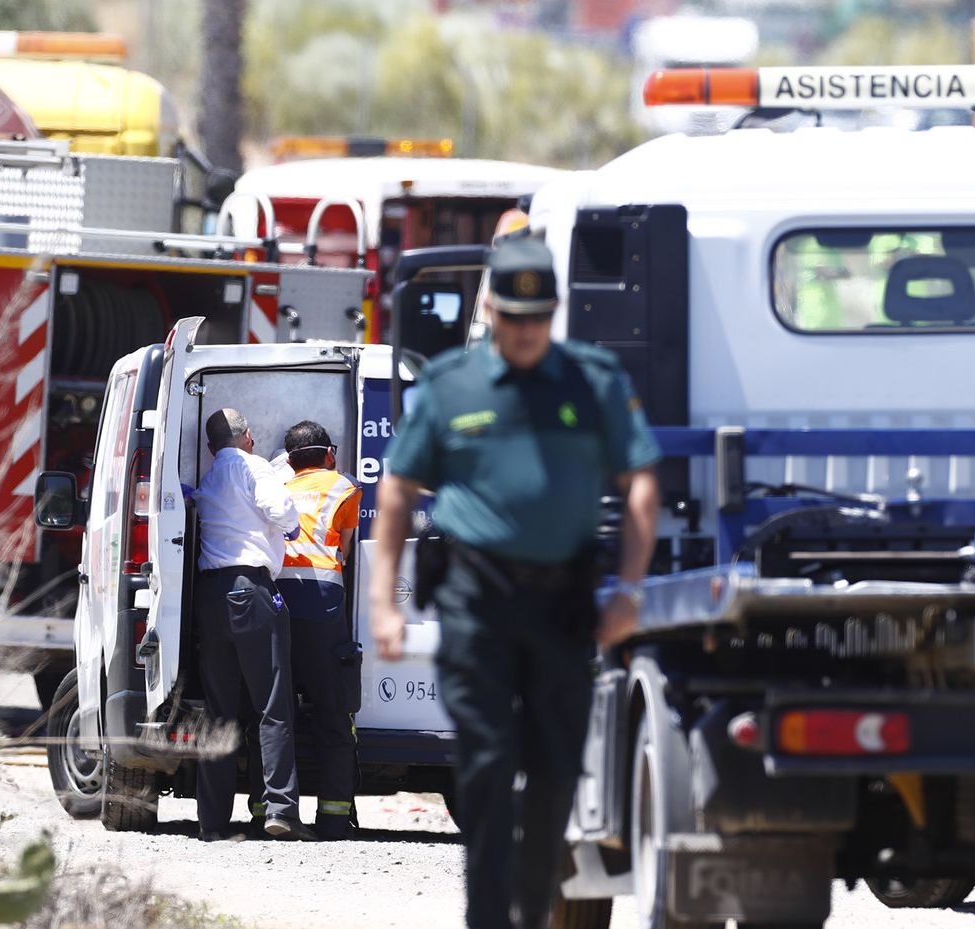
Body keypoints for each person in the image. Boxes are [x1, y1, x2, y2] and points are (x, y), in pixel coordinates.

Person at [368, 238, 661, 929]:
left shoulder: (593, 381)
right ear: (490, 309)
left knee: (558, 767)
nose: (526, 331)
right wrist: (383, 600)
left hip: (563, 600)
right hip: (478, 598)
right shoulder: (448, 384)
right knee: (487, 766)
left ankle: (533, 905)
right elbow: (397, 492)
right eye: (513, 316)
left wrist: (631, 589)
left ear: (555, 312)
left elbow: (641, 478)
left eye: (539, 316)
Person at [193, 408, 314, 842]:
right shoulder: (254, 466)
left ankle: (211, 821)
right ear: (249, 438)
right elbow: (279, 507)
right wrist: (291, 525)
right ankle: (280, 809)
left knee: (220, 712)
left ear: (210, 447)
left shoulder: (208, 479)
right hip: (252, 591)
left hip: (209, 597)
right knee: (272, 706)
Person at [272, 420, 362, 840]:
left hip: (277, 597)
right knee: (332, 711)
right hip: (324, 597)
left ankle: (269, 811)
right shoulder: (343, 488)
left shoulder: (277, 487)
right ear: (330, 453)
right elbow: (343, 548)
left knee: (276, 712)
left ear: (289, 460)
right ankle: (332, 818)